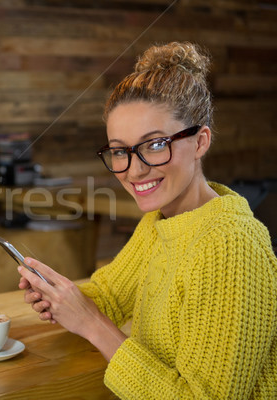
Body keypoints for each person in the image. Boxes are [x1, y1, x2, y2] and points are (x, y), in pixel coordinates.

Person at [18, 42, 277, 399]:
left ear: (201, 142)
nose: (134, 170)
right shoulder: (163, 221)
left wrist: (92, 325)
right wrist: (59, 295)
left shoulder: (231, 243)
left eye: (155, 145)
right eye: (120, 151)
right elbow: (109, 295)